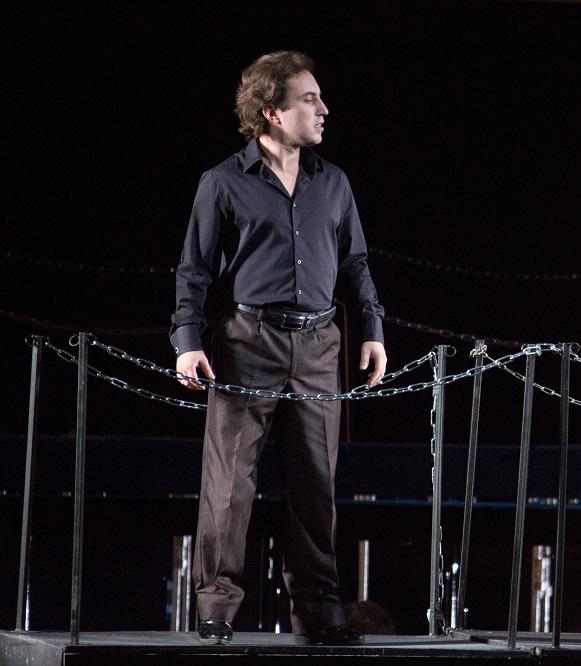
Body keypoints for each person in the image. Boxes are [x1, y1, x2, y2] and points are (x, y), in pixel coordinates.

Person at [170, 51, 387, 646]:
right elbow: (193, 270)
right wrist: (187, 341)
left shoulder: (333, 182)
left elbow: (356, 263)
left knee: (316, 484)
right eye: (309, 100)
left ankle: (318, 610)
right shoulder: (222, 182)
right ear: (271, 112)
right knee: (229, 485)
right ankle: (216, 608)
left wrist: (373, 330)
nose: (324, 109)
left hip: (319, 345)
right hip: (248, 342)